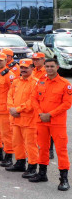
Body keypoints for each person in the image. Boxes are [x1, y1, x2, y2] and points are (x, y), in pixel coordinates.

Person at [28, 58, 71, 190]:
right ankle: (42, 174)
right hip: (41, 120)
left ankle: (64, 179)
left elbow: (67, 104)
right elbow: (34, 98)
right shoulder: (41, 81)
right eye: (47, 66)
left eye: (52, 66)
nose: (49, 69)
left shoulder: (65, 84)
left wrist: (50, 115)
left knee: (61, 150)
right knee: (42, 147)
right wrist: (41, 113)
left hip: (57, 122)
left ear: (57, 67)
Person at [6, 59, 38, 175]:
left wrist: (18, 109)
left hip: (29, 119)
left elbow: (33, 101)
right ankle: (20, 162)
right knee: (17, 142)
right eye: (22, 67)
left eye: (26, 68)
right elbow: (9, 95)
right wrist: (11, 108)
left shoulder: (36, 83)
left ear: (32, 68)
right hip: (15, 117)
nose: (23, 70)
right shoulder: (16, 81)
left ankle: (32, 166)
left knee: (30, 144)